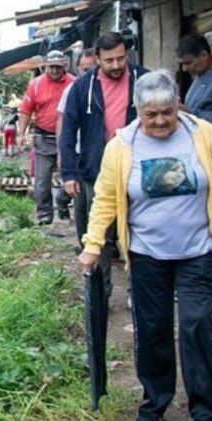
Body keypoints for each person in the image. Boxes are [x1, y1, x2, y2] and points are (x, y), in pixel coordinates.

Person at [80, 70, 212, 421]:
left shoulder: (204, 135)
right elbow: (105, 199)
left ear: (177, 106)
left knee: (194, 325)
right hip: (147, 254)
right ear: (137, 110)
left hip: (198, 251)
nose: (159, 121)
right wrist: (93, 245)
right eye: (150, 113)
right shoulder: (121, 146)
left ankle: (205, 412)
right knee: (152, 329)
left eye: (167, 112)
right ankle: (155, 400)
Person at [60, 32, 149, 287]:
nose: (116, 65)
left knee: (138, 235)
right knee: (97, 236)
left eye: (121, 58)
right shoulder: (81, 87)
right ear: (97, 58)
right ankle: (100, 294)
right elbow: (68, 131)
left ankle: (139, 292)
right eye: (109, 60)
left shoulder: (144, 80)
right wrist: (68, 173)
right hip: (95, 171)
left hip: (138, 170)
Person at [17, 50, 74, 224]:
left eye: (58, 67)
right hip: (44, 137)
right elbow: (26, 110)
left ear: (64, 65)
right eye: (51, 67)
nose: (55, 71)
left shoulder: (74, 83)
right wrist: (21, 133)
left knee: (71, 176)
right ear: (45, 66)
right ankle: (44, 215)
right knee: (42, 181)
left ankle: (63, 200)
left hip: (68, 138)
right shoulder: (35, 85)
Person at [57, 47, 98, 240]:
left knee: (99, 205)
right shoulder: (73, 90)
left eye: (92, 68)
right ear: (77, 70)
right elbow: (64, 127)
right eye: (84, 69)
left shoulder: (106, 89)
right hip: (79, 156)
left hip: (103, 156)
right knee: (82, 205)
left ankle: (107, 245)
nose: (88, 73)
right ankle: (85, 244)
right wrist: (64, 157)